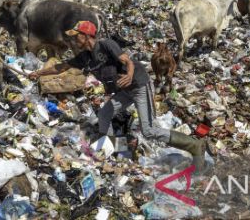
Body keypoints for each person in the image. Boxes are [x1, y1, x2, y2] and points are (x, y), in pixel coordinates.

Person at [28, 20, 207, 172]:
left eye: (76, 36)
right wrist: (40, 73)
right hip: (125, 91)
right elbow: (62, 67)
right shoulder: (85, 57)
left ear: (86, 35)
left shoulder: (106, 45)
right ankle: (119, 149)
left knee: (149, 130)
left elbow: (127, 60)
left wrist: (129, 75)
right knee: (105, 114)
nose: (73, 39)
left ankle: (195, 146)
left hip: (138, 85)